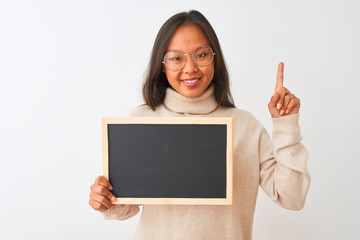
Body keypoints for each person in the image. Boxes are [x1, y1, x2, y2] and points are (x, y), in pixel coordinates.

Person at [89, 10, 310, 240]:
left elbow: (292, 197)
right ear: (162, 65)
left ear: (215, 58)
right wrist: (106, 199)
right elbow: (126, 206)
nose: (190, 68)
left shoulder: (246, 127)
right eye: (176, 58)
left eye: (201, 55)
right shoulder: (143, 121)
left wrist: (286, 125)